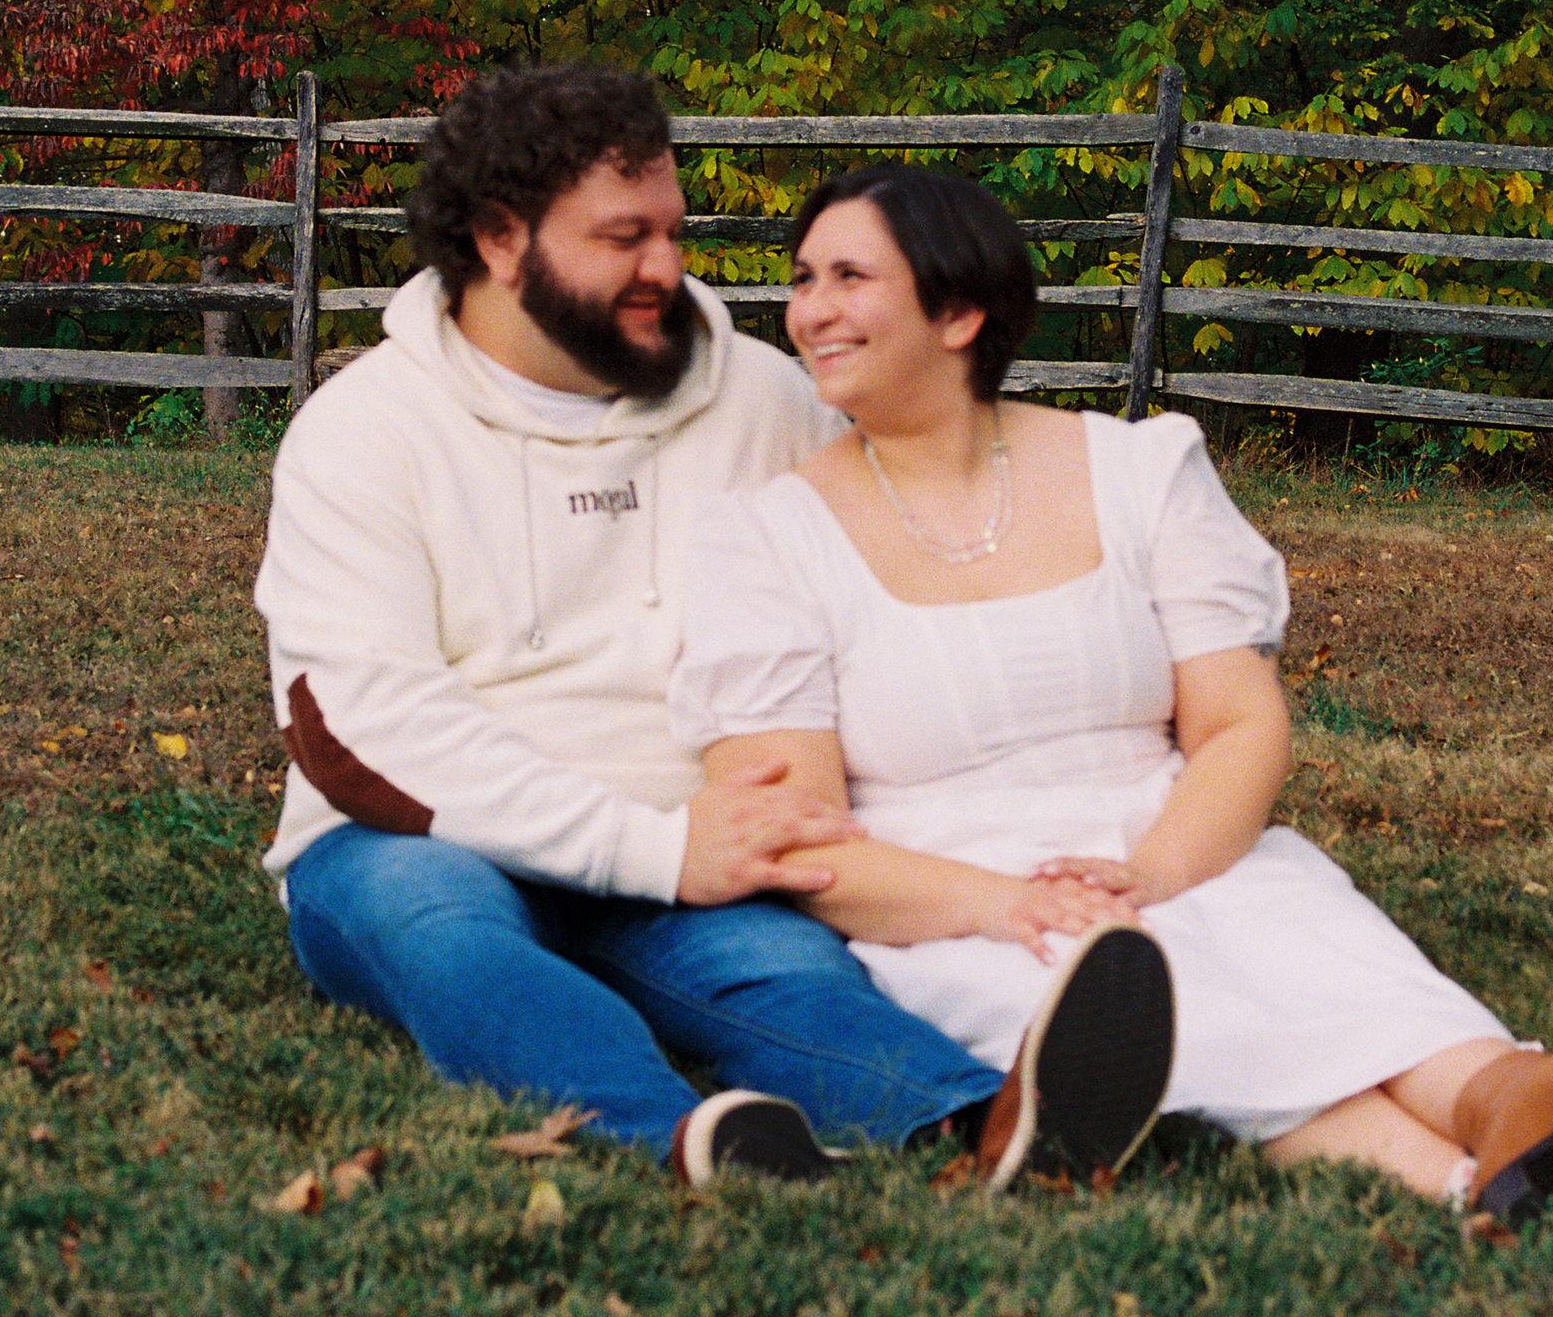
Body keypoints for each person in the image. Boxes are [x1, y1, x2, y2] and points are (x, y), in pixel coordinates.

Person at [671, 162, 1553, 1228]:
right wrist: (1010, 903)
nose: (810, 311)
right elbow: (797, 837)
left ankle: (1509, 1100)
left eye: (849, 277)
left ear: (959, 311)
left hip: (1172, 831)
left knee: (1309, 950)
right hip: (951, 898)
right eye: (803, 279)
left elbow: (1237, 722)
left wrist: (1155, 869)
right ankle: (1483, 1181)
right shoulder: (765, 539)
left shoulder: (1136, 469)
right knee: (1167, 1012)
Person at [255, 66, 1170, 1190]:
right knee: (445, 939)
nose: (666, 267)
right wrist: (652, 849)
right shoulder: (365, 431)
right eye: (623, 238)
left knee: (786, 976)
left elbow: (885, 575)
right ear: (499, 239)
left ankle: (986, 1121)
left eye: (672, 232)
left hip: (697, 835)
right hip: (421, 841)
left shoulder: (765, 400)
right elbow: (362, 725)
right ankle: (681, 1138)